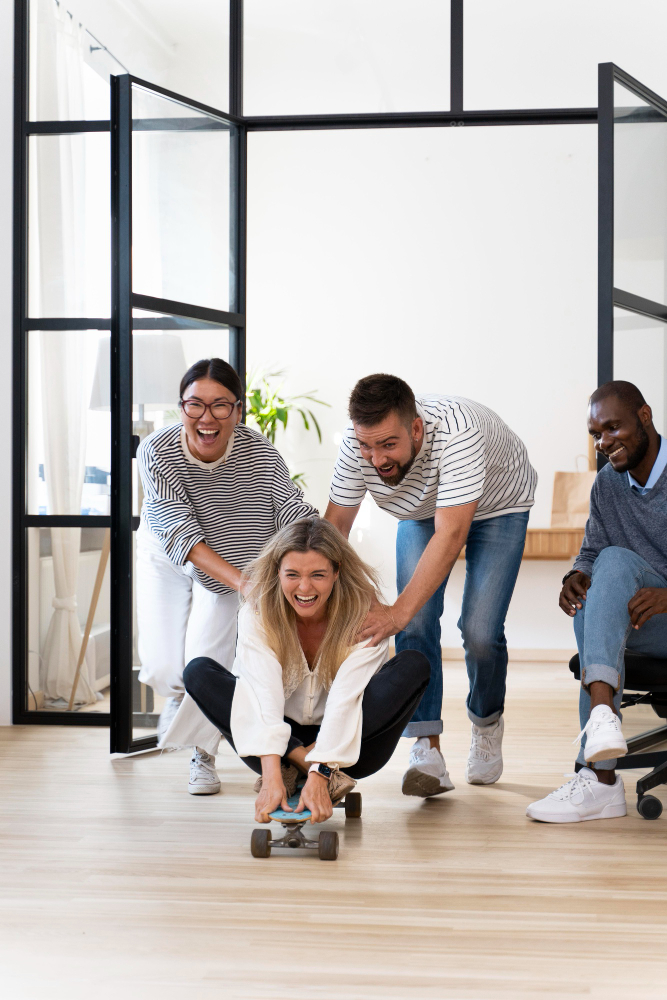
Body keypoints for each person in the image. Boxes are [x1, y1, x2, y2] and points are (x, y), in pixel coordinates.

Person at [325, 374, 536, 797]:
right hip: (421, 510)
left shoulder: (459, 434)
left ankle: (486, 721)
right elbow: (333, 530)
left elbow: (451, 534)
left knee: (479, 632)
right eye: (367, 446)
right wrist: (345, 597)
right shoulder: (358, 445)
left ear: (416, 429)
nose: (376, 459)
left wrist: (394, 612)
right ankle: (427, 747)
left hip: (500, 504)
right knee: (416, 625)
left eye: (388, 445)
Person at [136, 358, 316, 795]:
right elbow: (182, 533)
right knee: (164, 668)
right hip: (171, 552)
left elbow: (292, 511)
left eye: (220, 406)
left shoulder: (259, 454)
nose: (207, 418)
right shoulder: (156, 452)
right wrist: (242, 583)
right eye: (194, 405)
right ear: (181, 408)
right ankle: (181, 698)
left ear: (239, 411)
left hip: (232, 563)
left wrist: (320, 552)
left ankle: (203, 753)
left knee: (207, 661)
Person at [182, 516, 431, 822]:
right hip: (274, 744)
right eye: (292, 574)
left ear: (337, 572)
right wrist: (272, 775)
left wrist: (320, 771)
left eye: (318, 575)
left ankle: (304, 763)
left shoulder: (365, 614)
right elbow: (263, 693)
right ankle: (293, 759)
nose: (304, 587)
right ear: (277, 572)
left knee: (414, 664)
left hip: (352, 747)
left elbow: (345, 698)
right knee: (199, 672)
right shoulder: (258, 612)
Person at [528, 380, 667, 823]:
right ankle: (603, 739)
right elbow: (593, 550)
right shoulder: (608, 483)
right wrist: (576, 575)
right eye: (595, 434)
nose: (604, 443)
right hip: (636, 619)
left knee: (615, 564)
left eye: (613, 428)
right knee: (593, 585)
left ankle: (601, 774)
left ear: (644, 417)